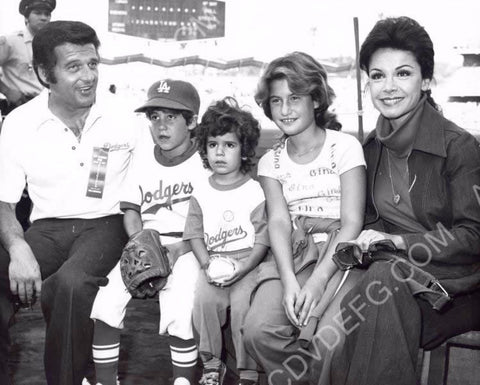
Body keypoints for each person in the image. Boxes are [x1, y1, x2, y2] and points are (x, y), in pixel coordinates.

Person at [331, 16, 480, 385]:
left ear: (426, 80)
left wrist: (400, 242)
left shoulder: (458, 146)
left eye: (403, 73)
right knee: (357, 298)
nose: (388, 87)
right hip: (393, 278)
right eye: (378, 76)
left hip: (457, 286)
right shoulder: (369, 148)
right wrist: (368, 237)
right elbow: (371, 219)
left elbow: (474, 236)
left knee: (376, 288)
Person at [0, 20, 140, 385]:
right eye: (74, 66)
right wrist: (17, 248)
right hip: (46, 228)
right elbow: (3, 202)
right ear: (46, 74)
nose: (88, 76)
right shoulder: (19, 123)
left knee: (70, 285)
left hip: (105, 223)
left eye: (93, 64)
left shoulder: (123, 117)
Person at [242, 51, 366, 385]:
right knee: (257, 331)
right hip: (295, 251)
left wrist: (317, 280)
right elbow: (279, 222)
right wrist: (290, 282)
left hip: (341, 253)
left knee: (328, 335)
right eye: (276, 100)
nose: (285, 110)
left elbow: (352, 221)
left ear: (315, 99)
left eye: (295, 98)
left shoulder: (345, 147)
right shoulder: (270, 162)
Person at [90, 79, 210, 385]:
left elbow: (210, 222)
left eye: (172, 117)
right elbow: (131, 210)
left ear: (192, 121)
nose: (161, 126)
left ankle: (183, 380)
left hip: (190, 246)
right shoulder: (143, 161)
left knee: (181, 306)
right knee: (105, 302)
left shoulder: (205, 161)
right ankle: (106, 380)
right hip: (147, 244)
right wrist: (138, 242)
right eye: (154, 116)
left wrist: (179, 250)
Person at [184, 97, 269, 385]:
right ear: (204, 150)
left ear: (244, 150)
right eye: (213, 144)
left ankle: (247, 371)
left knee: (244, 307)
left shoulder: (254, 190)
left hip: (247, 261)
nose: (219, 152)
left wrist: (245, 268)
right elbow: (194, 233)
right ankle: (211, 364)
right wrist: (206, 265)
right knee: (203, 302)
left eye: (229, 145)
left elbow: (263, 238)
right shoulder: (201, 191)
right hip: (215, 262)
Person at [0, 0, 55, 114]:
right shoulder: (11, 41)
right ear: (26, 18)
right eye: (38, 13)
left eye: (47, 14)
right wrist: (7, 91)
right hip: (20, 105)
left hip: (48, 106)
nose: (44, 18)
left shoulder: (51, 45)